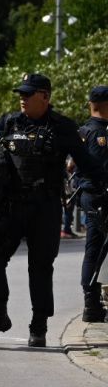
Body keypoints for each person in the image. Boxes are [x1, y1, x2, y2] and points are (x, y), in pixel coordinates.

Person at [0, 73, 108, 347]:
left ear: (45, 96)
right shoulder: (9, 122)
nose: (22, 98)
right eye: (21, 93)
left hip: (44, 207)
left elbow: (88, 164)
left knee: (41, 268)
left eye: (28, 93)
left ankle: (39, 326)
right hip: (9, 206)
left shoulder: (63, 127)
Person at [76, 86, 108, 323]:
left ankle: (92, 302)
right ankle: (92, 302)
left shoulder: (82, 131)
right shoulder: (101, 134)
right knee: (96, 249)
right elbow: (100, 171)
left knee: (93, 248)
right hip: (100, 197)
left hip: (90, 196)